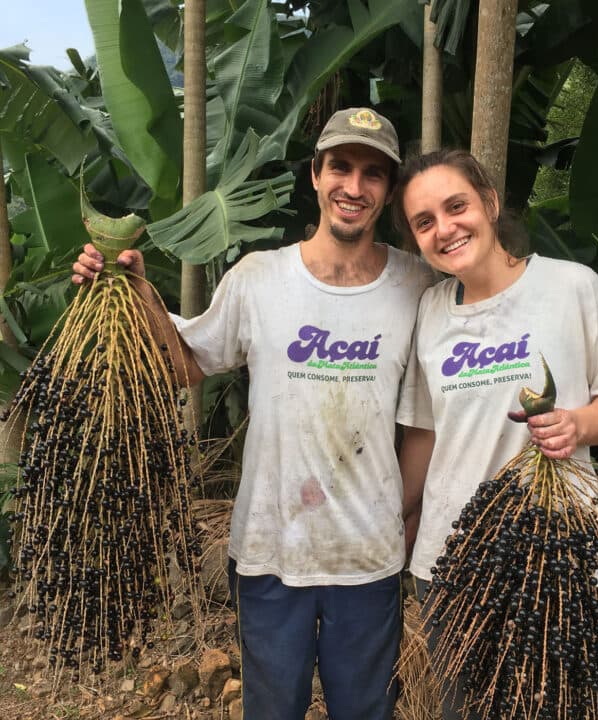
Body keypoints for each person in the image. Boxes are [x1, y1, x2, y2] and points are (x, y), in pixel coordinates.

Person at [72, 108, 437, 720]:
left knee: (365, 711)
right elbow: (186, 362)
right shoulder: (260, 277)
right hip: (272, 547)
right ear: (315, 175)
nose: (354, 186)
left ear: (389, 191)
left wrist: (398, 518)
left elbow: (425, 419)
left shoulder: (417, 284)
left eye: (373, 174)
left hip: (368, 559)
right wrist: (128, 289)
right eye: (341, 167)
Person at [391, 149, 598, 719]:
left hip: (552, 558)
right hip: (453, 560)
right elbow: (424, 437)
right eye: (425, 222)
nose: (446, 229)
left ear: (489, 204)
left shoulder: (571, 287)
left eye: (456, 206)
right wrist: (399, 523)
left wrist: (578, 423)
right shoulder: (430, 313)